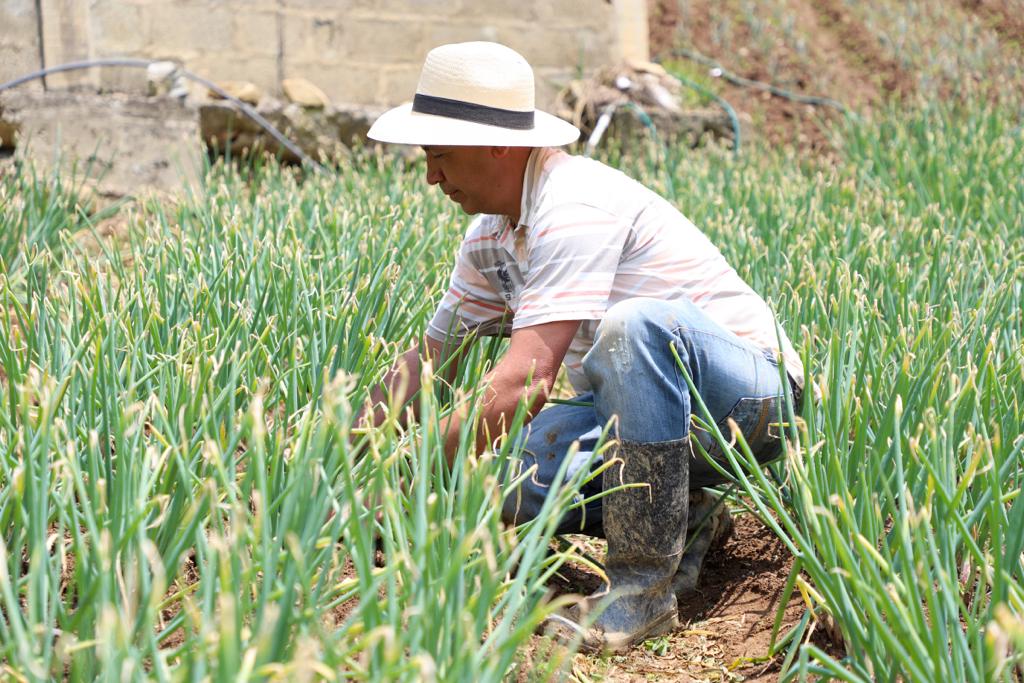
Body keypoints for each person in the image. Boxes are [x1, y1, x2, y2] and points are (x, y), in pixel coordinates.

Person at [362, 41, 805, 653]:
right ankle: (688, 515)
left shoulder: (574, 203)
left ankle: (641, 593)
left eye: (441, 155)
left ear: (499, 145)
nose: (432, 175)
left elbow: (525, 384)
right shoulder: (491, 236)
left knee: (636, 327)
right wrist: (352, 466)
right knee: (507, 476)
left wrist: (412, 479)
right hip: (640, 421)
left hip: (750, 400)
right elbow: (430, 360)